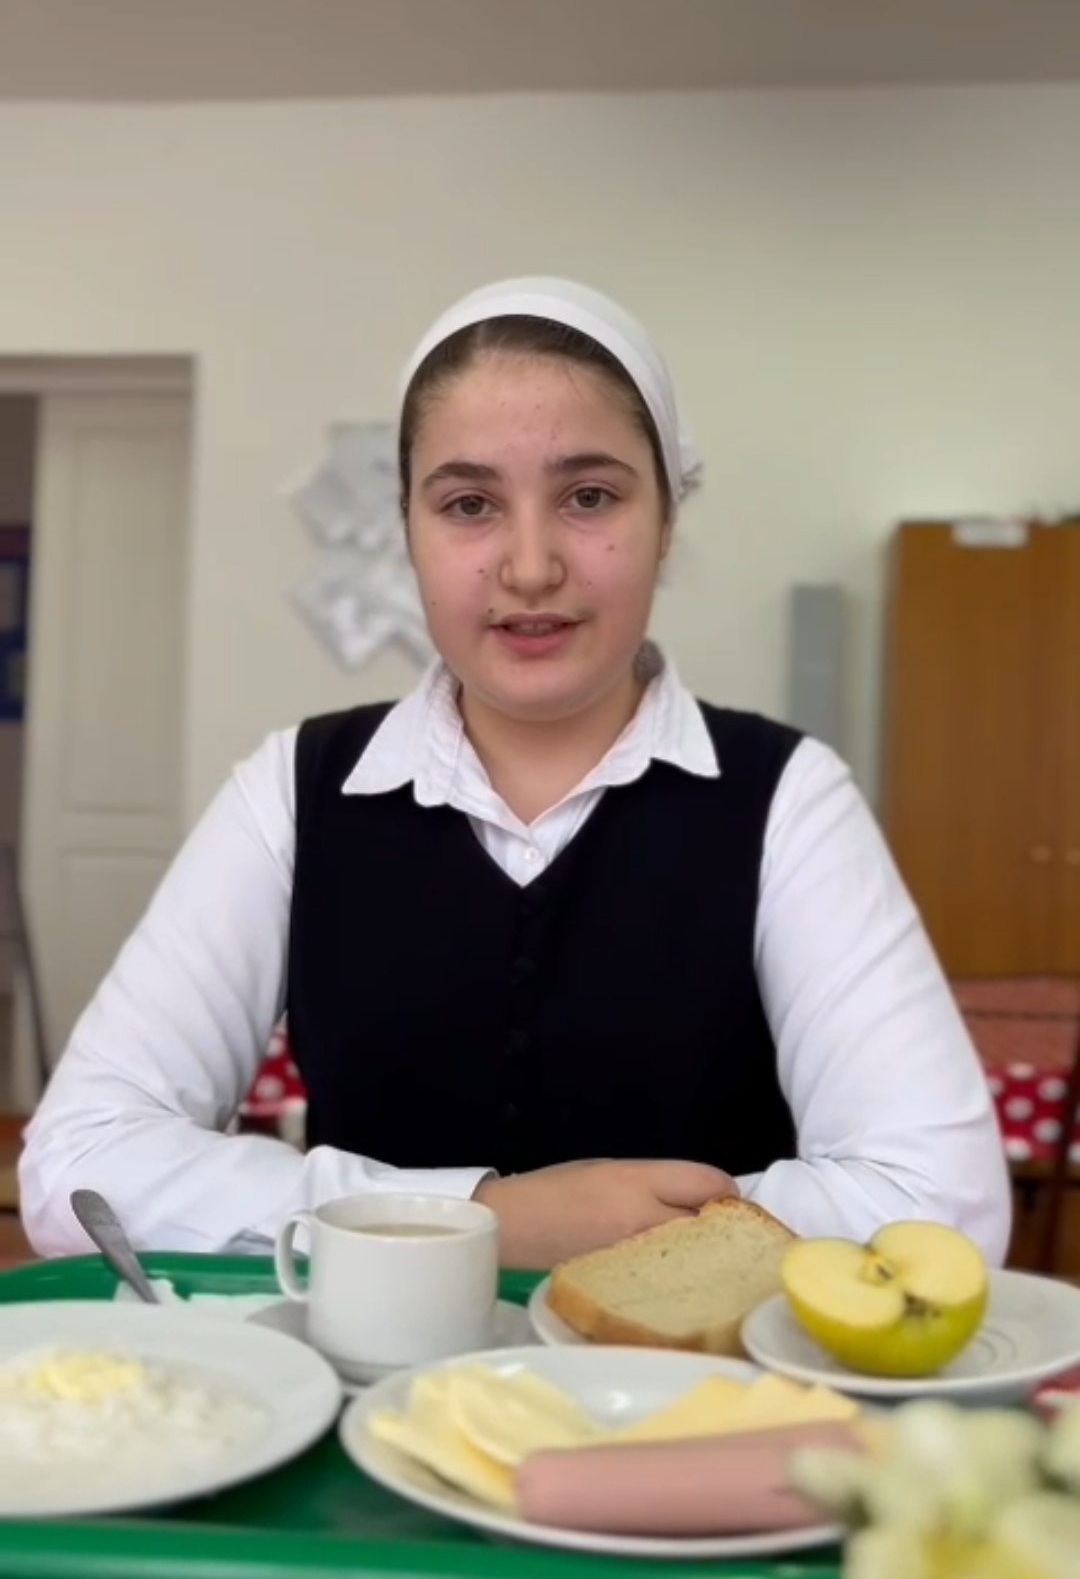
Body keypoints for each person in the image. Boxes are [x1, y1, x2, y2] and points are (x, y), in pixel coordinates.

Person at [19, 277, 1012, 1270]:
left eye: (589, 497)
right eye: (468, 505)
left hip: (690, 1372)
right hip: (363, 1369)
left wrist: (377, 1220)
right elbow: (78, 1167)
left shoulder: (786, 798)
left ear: (668, 518)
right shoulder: (294, 791)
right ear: (408, 529)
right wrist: (487, 1220)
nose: (530, 567)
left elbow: (941, 1208)